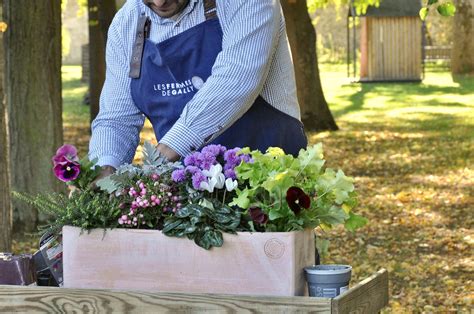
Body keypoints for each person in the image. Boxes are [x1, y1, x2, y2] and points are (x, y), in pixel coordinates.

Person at [89, 0, 307, 178]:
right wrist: (105, 168)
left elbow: (235, 80)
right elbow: (116, 118)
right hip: (187, 196)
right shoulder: (126, 23)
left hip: (269, 180)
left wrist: (161, 157)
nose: (159, 2)